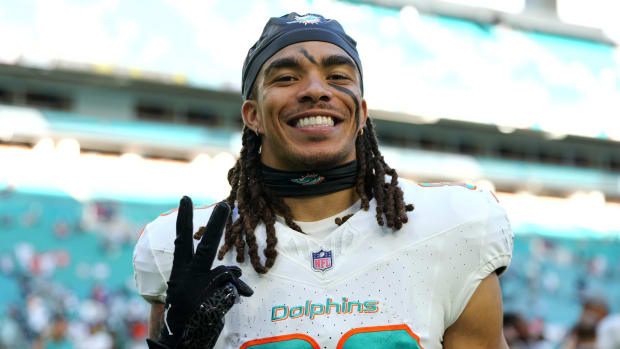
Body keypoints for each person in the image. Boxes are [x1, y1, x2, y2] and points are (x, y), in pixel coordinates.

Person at [133, 12, 514, 349]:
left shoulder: (454, 228)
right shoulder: (188, 248)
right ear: (253, 115)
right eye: (285, 77)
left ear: (361, 111)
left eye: (337, 76)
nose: (316, 90)